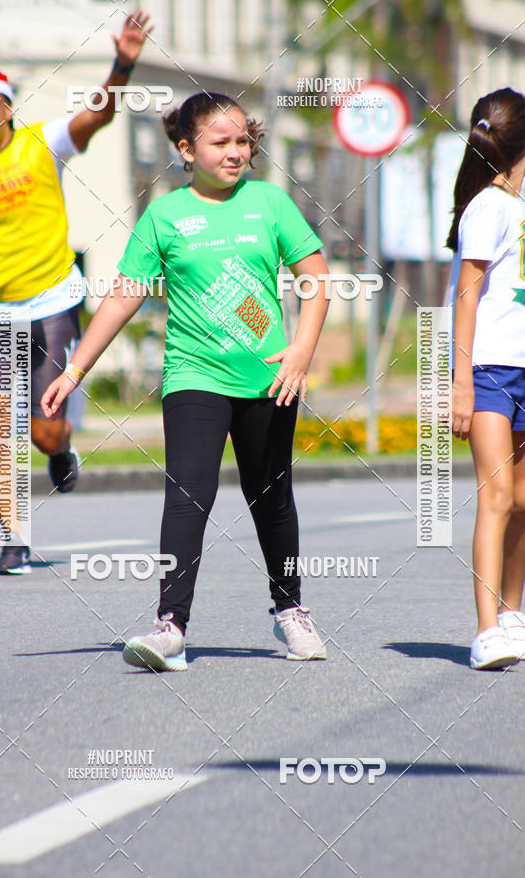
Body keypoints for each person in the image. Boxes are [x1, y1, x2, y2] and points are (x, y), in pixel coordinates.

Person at [42, 91, 330, 671]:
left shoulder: (269, 203)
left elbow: (316, 279)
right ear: (186, 150)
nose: (235, 152)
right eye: (220, 143)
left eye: (242, 141)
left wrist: (301, 351)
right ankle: (170, 627)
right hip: (193, 375)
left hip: (268, 378)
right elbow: (126, 295)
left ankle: (290, 609)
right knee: (187, 496)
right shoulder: (165, 216)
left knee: (270, 498)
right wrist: (75, 369)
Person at [0, 11, 151, 574]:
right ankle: (12, 533)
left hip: (52, 299)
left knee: (42, 428)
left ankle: (61, 449)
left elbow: (97, 117)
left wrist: (122, 64)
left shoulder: (42, 142)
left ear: (7, 109)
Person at [449, 87, 525, 669]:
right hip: (491, 369)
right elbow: (466, 300)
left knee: (524, 500)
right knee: (496, 496)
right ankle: (484, 630)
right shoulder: (486, 208)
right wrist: (461, 380)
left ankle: (512, 615)